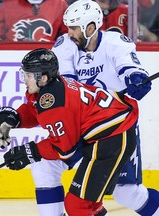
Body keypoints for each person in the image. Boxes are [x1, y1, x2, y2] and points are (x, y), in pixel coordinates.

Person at [0, 48, 138, 215]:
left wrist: (30, 151)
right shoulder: (49, 89)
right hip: (100, 134)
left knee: (78, 205)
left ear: (43, 78)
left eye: (28, 75)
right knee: (54, 176)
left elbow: (65, 149)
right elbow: (36, 110)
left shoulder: (55, 101)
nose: (24, 79)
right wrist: (15, 117)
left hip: (112, 138)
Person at [52, 0, 159, 215]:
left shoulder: (114, 42)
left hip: (116, 129)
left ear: (90, 27)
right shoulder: (65, 44)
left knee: (126, 193)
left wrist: (136, 77)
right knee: (46, 167)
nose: (69, 32)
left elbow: (128, 65)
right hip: (80, 127)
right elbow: (67, 87)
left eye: (74, 27)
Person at [0, 0, 68, 42]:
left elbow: (70, 38)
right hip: (12, 59)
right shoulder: (7, 5)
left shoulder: (59, 5)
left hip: (48, 60)